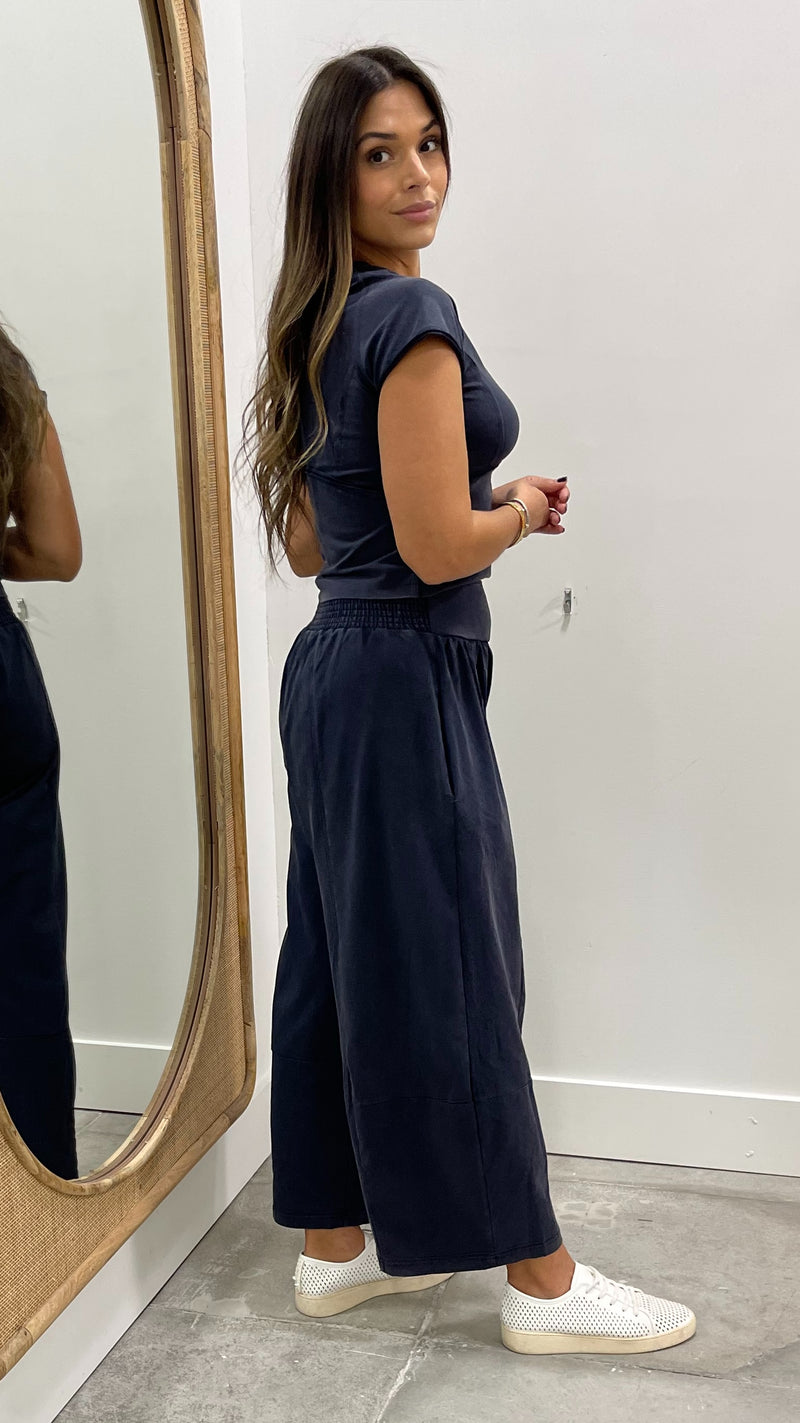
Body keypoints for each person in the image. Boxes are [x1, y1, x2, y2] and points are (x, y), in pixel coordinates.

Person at [240, 44, 696, 1356]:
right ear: (334, 173)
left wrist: (462, 515)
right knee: (456, 969)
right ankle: (544, 1283)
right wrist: (515, 506)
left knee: (334, 953)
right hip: (401, 678)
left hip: (330, 671)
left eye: (429, 143)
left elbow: (322, 545)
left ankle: (338, 1247)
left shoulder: (316, 320)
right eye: (381, 152)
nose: (418, 174)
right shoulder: (407, 321)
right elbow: (438, 546)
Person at [0, 319, 82, 1180]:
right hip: (4, 701)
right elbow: (57, 551)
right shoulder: (9, 381)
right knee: (21, 969)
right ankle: (38, 1203)